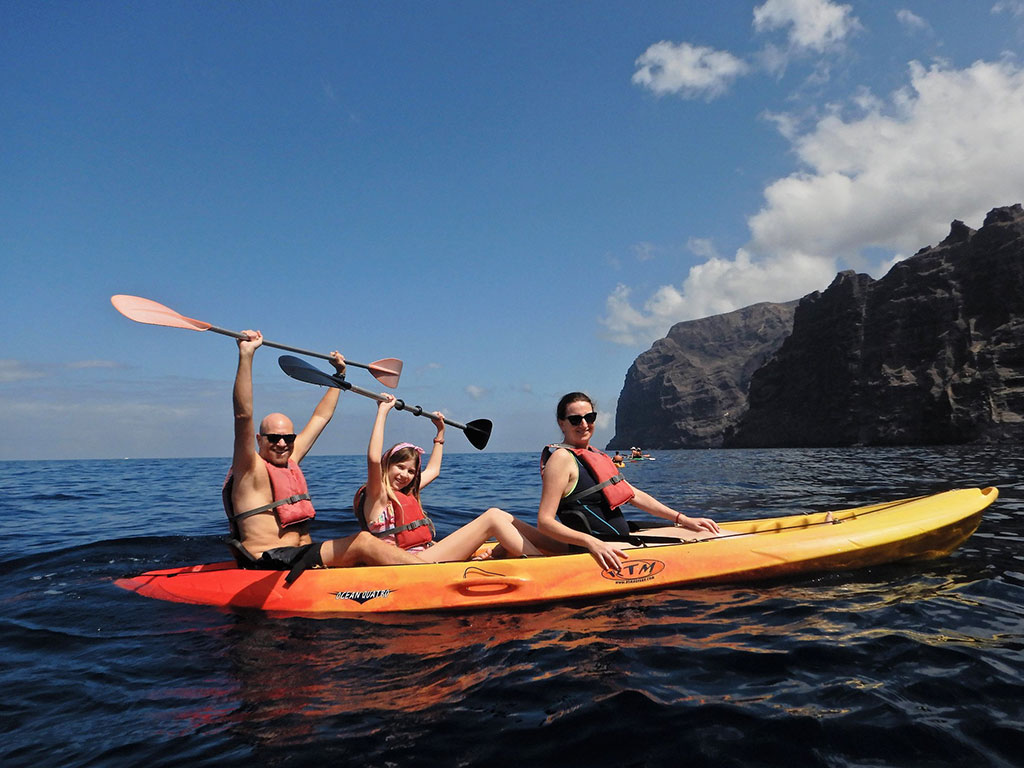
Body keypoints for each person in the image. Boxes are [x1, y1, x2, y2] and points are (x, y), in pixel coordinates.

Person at [223, 330, 420, 582]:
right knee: (362, 542)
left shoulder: (290, 459)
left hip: (301, 557)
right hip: (267, 563)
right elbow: (243, 416)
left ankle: (418, 563)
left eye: (289, 438)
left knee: (364, 551)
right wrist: (246, 355)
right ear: (260, 440)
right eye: (274, 438)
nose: (282, 443)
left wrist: (339, 376)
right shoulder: (249, 468)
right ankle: (432, 572)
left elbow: (320, 417)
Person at [357, 393, 559, 561]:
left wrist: (440, 432)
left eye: (411, 471)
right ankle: (541, 564)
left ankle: (564, 549)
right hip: (407, 564)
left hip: (426, 554)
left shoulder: (407, 491)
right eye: (400, 467)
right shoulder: (378, 495)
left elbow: (434, 471)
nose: (405, 475)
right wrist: (382, 411)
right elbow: (373, 458)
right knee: (493, 518)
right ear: (387, 466)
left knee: (503, 516)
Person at [538, 391, 721, 570]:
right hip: (601, 549)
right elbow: (545, 522)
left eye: (590, 417)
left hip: (618, 539)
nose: (584, 424)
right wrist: (591, 542)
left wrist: (683, 519)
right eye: (575, 419)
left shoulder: (594, 454)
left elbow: (632, 494)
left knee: (703, 531)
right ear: (562, 424)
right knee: (710, 538)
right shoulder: (562, 458)